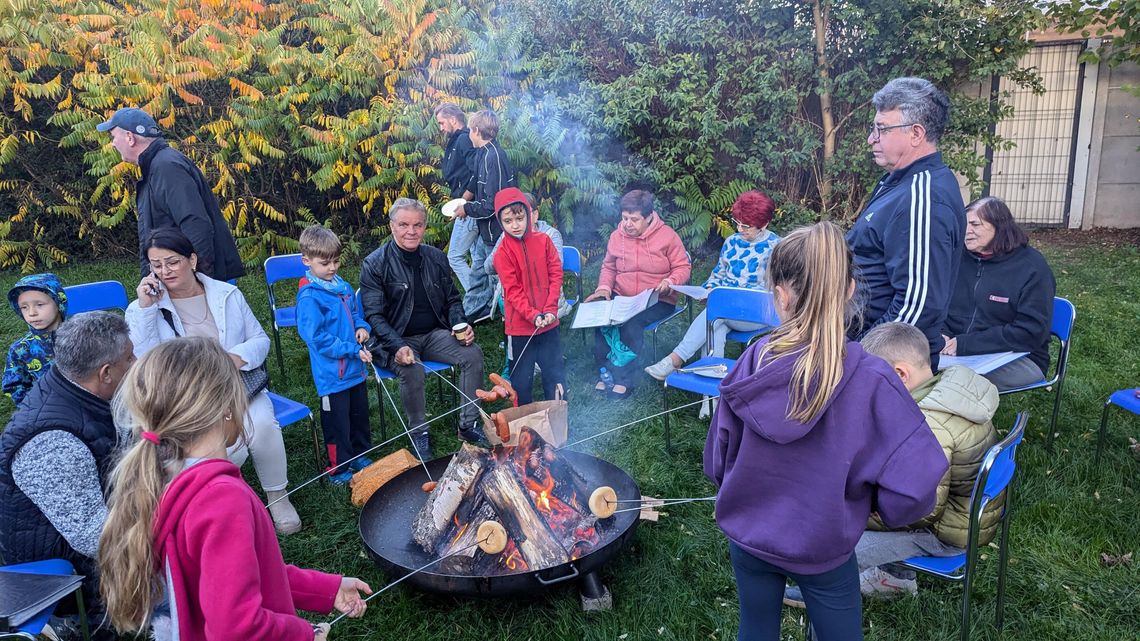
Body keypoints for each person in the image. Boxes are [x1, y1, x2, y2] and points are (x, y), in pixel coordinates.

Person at [704, 222, 947, 641]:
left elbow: (716, 459)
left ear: (780, 294)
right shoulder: (875, 378)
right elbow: (913, 489)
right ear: (850, 289)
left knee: (755, 629)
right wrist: (874, 507)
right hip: (825, 546)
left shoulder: (752, 360)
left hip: (749, 537)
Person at [97, 337, 371, 641]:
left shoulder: (168, 480)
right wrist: (302, 634)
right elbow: (237, 628)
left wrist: (325, 589)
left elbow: (241, 577)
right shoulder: (221, 499)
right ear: (227, 407)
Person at [784, 322, 1001, 606]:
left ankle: (820, 593)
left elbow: (920, 510)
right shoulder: (950, 387)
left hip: (944, 535)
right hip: (966, 515)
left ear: (900, 374)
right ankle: (895, 578)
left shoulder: (929, 428)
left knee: (835, 540)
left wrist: (855, 511)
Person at [125, 227, 301, 534]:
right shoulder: (144, 309)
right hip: (189, 398)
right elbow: (144, 359)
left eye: (172, 262)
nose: (165, 271)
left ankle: (277, 497)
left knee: (261, 424)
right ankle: (228, 504)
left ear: (191, 260)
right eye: (156, 265)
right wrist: (145, 309)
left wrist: (232, 359)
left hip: (236, 385)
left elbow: (259, 339)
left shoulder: (226, 294)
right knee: (228, 445)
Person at [0, 312, 136, 628]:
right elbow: (93, 537)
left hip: (96, 529)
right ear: (105, 372)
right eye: (129, 358)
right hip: (71, 581)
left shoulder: (78, 388)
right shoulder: (52, 442)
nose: (137, 362)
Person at [846, 77, 965, 370]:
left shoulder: (925, 197)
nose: (871, 138)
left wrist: (859, 359)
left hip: (885, 367)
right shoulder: (898, 182)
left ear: (916, 133)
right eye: (873, 128)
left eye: (881, 129)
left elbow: (918, 307)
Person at [359, 198, 487, 461]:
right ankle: (420, 432)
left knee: (473, 354)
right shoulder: (375, 263)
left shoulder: (436, 257)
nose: (411, 231)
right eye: (404, 224)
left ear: (425, 227)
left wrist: (459, 325)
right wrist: (397, 346)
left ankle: (468, 426)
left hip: (434, 334)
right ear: (392, 226)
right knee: (411, 368)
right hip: (395, 338)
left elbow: (452, 299)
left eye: (417, 225)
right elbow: (374, 315)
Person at [644, 190, 781, 381]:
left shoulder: (778, 248)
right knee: (715, 328)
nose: (740, 229)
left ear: (764, 224)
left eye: (747, 226)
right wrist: (708, 290)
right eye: (737, 223)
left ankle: (676, 358)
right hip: (725, 311)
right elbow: (719, 274)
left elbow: (779, 290)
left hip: (756, 313)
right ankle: (711, 401)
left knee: (715, 317)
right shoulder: (732, 242)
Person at [96, 107, 244, 282]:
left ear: (130, 137)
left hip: (187, 285)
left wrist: (198, 283)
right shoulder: (158, 165)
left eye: (113, 137)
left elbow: (196, 225)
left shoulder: (166, 167)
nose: (113, 143)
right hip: (177, 280)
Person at [942, 196, 1056, 391]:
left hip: (1021, 356)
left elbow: (1030, 332)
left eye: (975, 224)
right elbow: (940, 304)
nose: (966, 231)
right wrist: (941, 333)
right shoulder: (958, 257)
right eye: (964, 224)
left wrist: (966, 344)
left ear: (999, 226)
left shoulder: (1032, 268)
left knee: (953, 382)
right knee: (909, 365)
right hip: (955, 350)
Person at [585, 189, 690, 399]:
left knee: (631, 324)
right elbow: (608, 267)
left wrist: (670, 282)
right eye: (624, 218)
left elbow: (682, 267)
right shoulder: (617, 236)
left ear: (649, 217)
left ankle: (625, 378)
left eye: (634, 219)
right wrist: (604, 288)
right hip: (622, 295)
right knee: (602, 320)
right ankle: (605, 371)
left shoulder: (668, 236)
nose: (627, 224)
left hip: (657, 298)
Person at [296, 225, 375, 485]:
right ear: (306, 261)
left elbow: (353, 314)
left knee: (358, 415)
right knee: (337, 421)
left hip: (355, 371)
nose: (332, 268)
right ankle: (338, 467)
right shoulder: (310, 296)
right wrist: (352, 350)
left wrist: (362, 327)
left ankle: (360, 454)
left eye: (336, 261)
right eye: (325, 263)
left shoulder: (341, 286)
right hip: (332, 376)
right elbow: (317, 339)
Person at [492, 187, 566, 404]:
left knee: (555, 375)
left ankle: (558, 421)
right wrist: (533, 315)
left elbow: (556, 274)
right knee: (521, 382)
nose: (515, 225)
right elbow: (512, 291)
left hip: (549, 323)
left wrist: (550, 309)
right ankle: (524, 426)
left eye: (519, 218)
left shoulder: (544, 241)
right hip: (520, 328)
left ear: (528, 214)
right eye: (508, 221)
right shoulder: (502, 253)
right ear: (500, 222)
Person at [454, 109, 516, 321]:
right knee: (478, 273)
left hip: (497, 230)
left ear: (477, 130)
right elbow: (474, 180)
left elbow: (493, 205)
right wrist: (464, 200)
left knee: (500, 276)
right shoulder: (482, 152)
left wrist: (467, 209)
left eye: (470, 130)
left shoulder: (494, 158)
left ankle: (511, 317)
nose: (468, 134)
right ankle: (469, 314)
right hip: (485, 230)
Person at [4, 273, 68, 405]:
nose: (32, 312)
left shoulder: (82, 335)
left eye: (39, 304)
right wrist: (34, 407)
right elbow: (14, 386)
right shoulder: (20, 349)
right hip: (47, 410)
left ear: (58, 303)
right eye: (24, 307)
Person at [435, 102, 479, 293]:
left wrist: (464, 202)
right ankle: (491, 300)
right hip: (467, 206)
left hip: (469, 207)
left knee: (454, 256)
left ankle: (477, 297)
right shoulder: (455, 141)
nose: (441, 128)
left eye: (442, 123)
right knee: (478, 257)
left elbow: (477, 172)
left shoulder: (463, 139)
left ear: (453, 120)